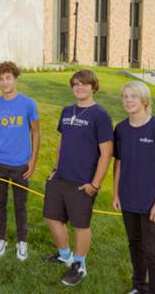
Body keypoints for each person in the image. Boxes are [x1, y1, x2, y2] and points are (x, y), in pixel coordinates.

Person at [43, 70, 113, 286]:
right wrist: (55, 168)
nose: (79, 88)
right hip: (61, 177)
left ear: (93, 87)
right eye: (75, 84)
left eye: (84, 84)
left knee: (81, 225)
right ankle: (65, 255)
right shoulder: (66, 111)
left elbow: (106, 153)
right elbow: (63, 143)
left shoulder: (100, 115)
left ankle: (79, 265)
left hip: (83, 182)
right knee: (51, 218)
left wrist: (95, 184)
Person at [113, 80, 155, 294]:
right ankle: (139, 286)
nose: (128, 100)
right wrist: (116, 193)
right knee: (135, 245)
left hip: (152, 203)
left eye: (133, 96)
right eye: (125, 96)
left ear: (144, 100)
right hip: (128, 199)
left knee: (152, 251)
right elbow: (119, 162)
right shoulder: (120, 129)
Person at [0, 61, 41, 261]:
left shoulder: (28, 104)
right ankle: (1, 239)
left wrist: (32, 161)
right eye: (1, 79)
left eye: (8, 77)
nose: (5, 82)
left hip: (20, 165)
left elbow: (36, 132)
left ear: (15, 79)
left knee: (20, 205)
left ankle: (21, 242)